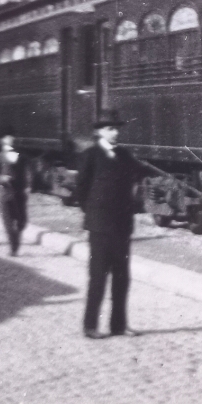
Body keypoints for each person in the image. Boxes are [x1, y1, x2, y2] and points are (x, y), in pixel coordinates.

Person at [75, 109, 155, 339]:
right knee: (98, 278)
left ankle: (118, 325)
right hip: (100, 228)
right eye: (111, 129)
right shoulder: (90, 155)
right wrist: (94, 214)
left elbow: (140, 171)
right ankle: (90, 326)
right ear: (100, 131)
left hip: (122, 226)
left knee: (122, 278)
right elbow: (81, 189)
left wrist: (154, 171)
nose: (115, 133)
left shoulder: (124, 155)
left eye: (117, 128)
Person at [0, 127, 29, 256]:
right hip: (5, 194)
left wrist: (28, 187)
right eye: (7, 137)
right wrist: (2, 178)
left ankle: (15, 240)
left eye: (12, 137)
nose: (11, 139)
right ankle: (14, 247)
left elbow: (27, 174)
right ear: (2, 140)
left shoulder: (22, 157)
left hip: (19, 194)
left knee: (22, 222)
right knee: (8, 223)